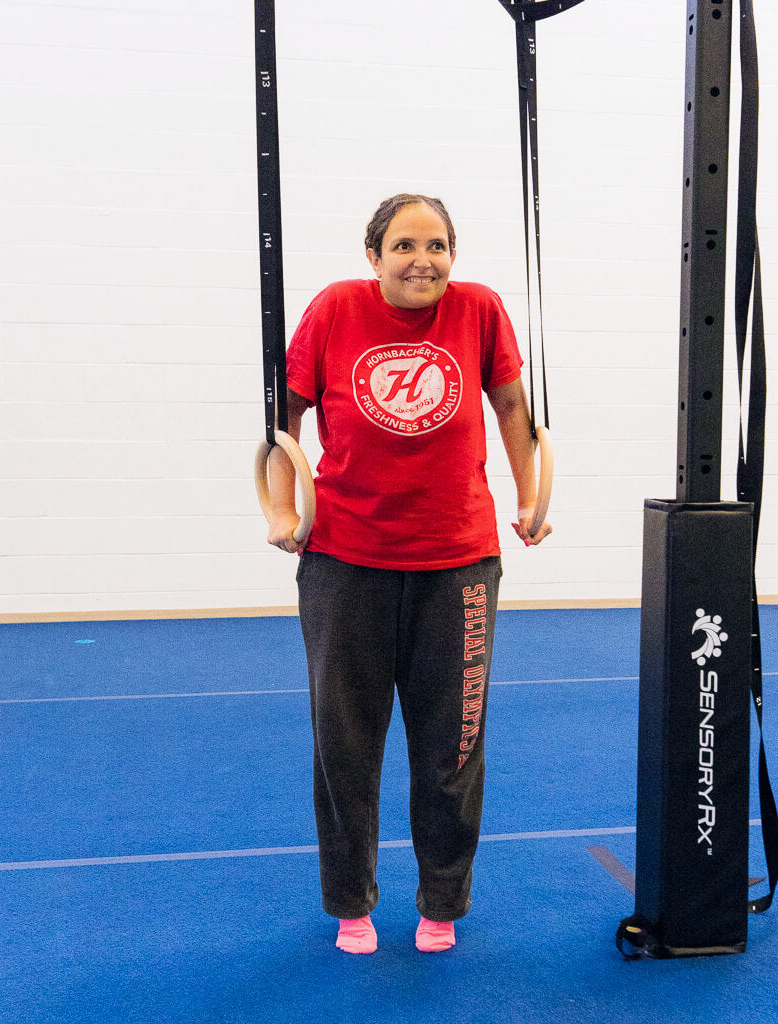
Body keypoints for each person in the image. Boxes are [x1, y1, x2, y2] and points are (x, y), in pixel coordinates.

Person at [267, 193, 551, 954]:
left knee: (451, 746)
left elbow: (513, 405)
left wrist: (531, 498)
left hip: (456, 563)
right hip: (345, 561)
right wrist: (282, 511)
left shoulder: (480, 309)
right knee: (345, 745)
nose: (420, 259)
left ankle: (441, 902)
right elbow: (283, 421)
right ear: (374, 255)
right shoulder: (335, 309)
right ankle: (351, 904)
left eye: (436, 245)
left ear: (453, 254)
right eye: (403, 245)